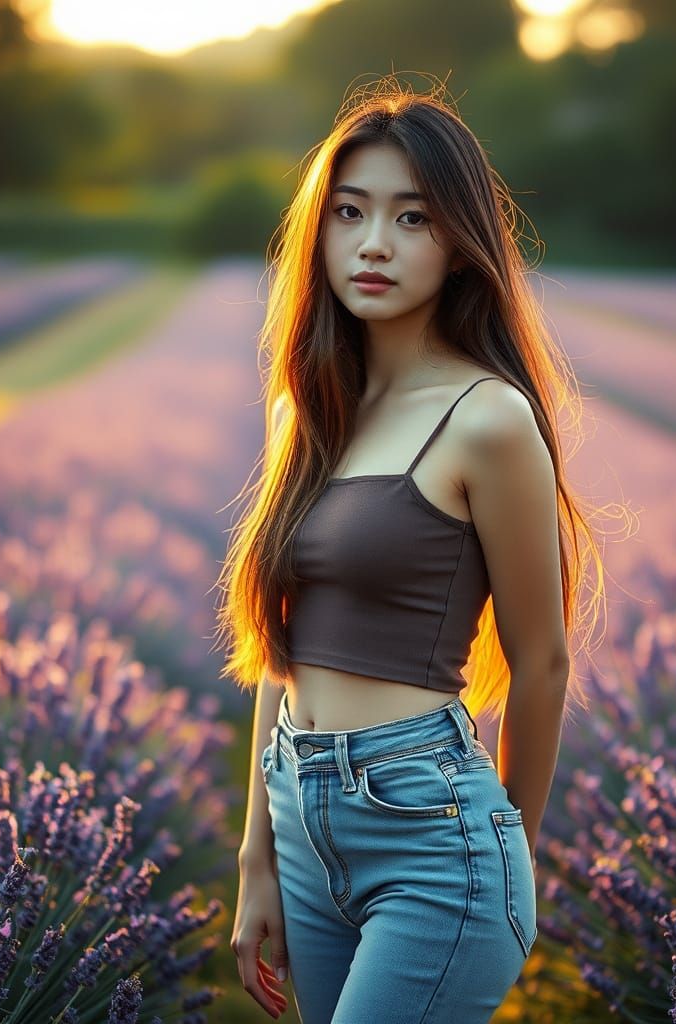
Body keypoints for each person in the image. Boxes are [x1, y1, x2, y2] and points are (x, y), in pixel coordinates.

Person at [212, 75, 607, 1023]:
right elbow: (283, 644)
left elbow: (541, 660)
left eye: (413, 218)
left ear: (461, 245)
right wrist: (255, 858)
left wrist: (513, 844)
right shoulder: (299, 414)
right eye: (350, 213)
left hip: (434, 833)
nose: (375, 242)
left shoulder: (489, 419)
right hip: (301, 817)